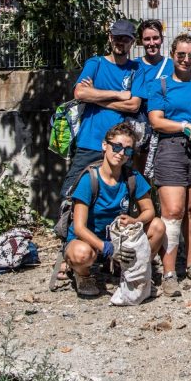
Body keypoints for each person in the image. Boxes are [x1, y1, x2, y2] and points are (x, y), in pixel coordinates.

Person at [146, 33, 191, 297]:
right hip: (171, 149)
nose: (186, 60)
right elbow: (156, 120)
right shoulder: (161, 85)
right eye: (181, 55)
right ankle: (168, 272)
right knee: (173, 211)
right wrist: (184, 125)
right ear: (172, 54)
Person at [64, 123, 165, 298]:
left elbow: (149, 210)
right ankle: (83, 275)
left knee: (157, 226)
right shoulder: (90, 179)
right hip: (90, 241)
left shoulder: (132, 177)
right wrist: (107, 248)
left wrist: (135, 221)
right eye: (116, 147)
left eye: (127, 150)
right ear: (105, 146)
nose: (120, 153)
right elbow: (79, 228)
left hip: (120, 239)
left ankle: (132, 269)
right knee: (81, 254)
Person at [62, 19, 147, 198]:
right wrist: (118, 94)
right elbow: (80, 93)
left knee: (118, 198)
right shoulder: (96, 63)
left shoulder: (136, 69)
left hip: (121, 148)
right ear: (110, 38)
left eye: (125, 38)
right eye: (117, 37)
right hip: (90, 143)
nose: (120, 42)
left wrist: (96, 97)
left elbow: (133, 105)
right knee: (71, 195)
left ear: (132, 42)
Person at [133, 19, 172, 175]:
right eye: (147, 39)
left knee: (164, 174)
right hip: (140, 125)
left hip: (164, 125)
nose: (151, 43)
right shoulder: (134, 65)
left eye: (155, 38)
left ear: (161, 39)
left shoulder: (172, 65)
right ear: (141, 41)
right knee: (141, 175)